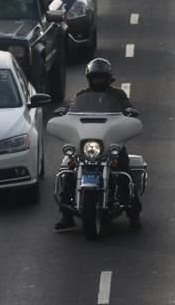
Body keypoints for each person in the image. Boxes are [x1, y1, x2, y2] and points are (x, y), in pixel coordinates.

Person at [54, 58, 142, 232]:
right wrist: (64, 112)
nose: (98, 81)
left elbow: (127, 107)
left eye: (101, 77)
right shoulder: (81, 94)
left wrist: (129, 111)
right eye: (95, 77)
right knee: (69, 173)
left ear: (108, 78)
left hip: (109, 142)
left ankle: (134, 214)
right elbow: (72, 109)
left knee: (124, 172)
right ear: (89, 78)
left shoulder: (118, 95)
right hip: (87, 141)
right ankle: (66, 215)